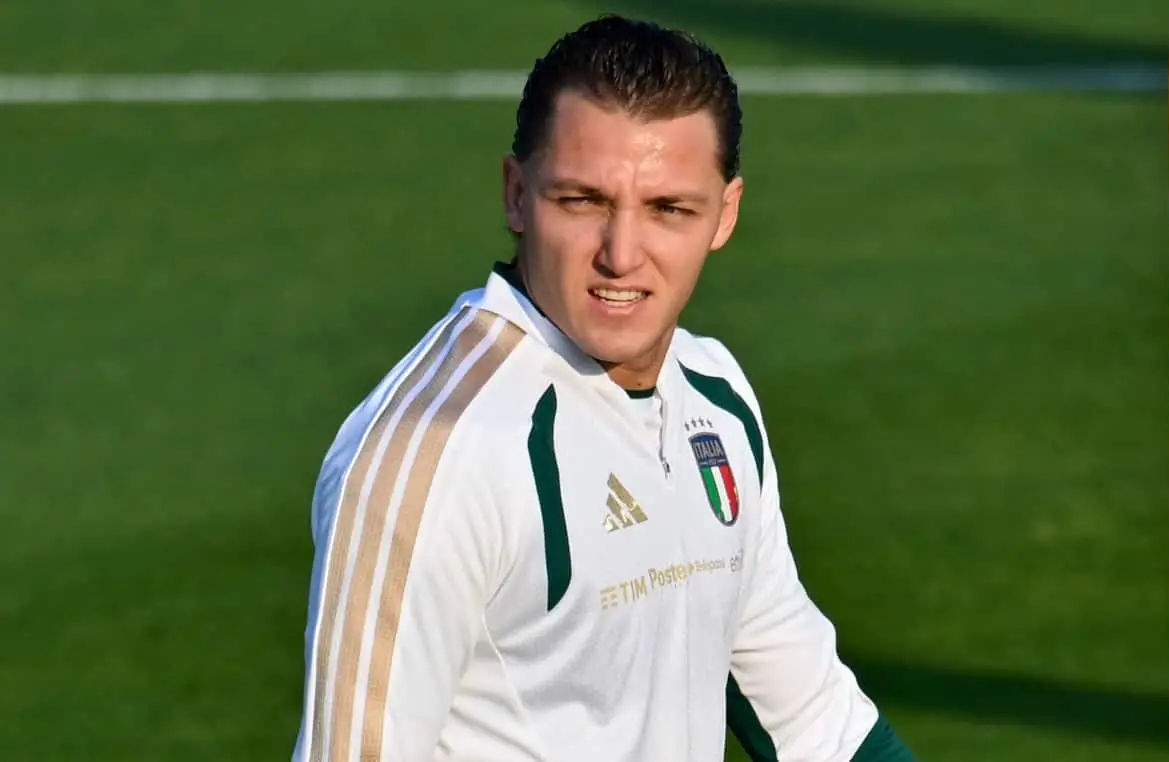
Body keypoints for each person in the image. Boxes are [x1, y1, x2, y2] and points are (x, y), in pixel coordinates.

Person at [291, 14, 916, 762]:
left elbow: (815, 723)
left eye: (668, 209)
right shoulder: (434, 454)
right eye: (582, 201)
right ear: (516, 195)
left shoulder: (714, 397)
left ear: (725, 215)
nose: (621, 255)